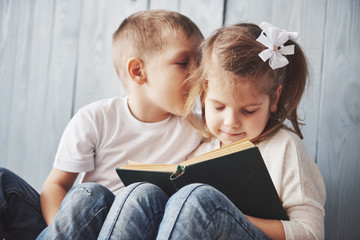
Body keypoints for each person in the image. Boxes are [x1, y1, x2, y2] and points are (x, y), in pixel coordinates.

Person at [96, 22, 326, 240]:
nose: (231, 122)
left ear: (274, 99)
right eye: (218, 107)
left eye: (248, 111)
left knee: (198, 198)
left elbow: (310, 233)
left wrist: (224, 213)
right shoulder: (200, 148)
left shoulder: (284, 147)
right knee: (139, 193)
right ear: (204, 95)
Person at [0, 9, 204, 240]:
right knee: (85, 195)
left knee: (114, 194)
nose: (198, 73)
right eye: (183, 62)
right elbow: (55, 185)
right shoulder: (96, 118)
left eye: (200, 62)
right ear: (138, 72)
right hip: (79, 222)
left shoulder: (200, 128)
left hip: (133, 227)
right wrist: (66, 230)